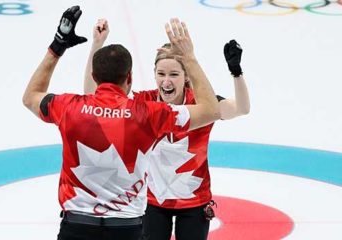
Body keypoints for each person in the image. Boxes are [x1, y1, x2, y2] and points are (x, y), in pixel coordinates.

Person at [22, 6, 220, 240]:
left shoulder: (68, 107)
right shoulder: (149, 114)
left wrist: (57, 47)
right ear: (129, 78)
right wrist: (189, 58)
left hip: (76, 226)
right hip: (126, 229)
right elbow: (210, 110)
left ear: (95, 77)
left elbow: (31, 96)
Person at [83, 19, 250, 240]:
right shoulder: (142, 103)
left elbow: (242, 108)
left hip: (195, 202)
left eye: (174, 74)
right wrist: (97, 45)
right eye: (161, 74)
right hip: (152, 201)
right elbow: (93, 97)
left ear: (186, 77)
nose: (166, 81)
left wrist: (236, 72)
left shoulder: (203, 103)